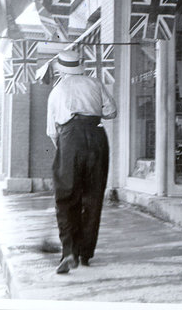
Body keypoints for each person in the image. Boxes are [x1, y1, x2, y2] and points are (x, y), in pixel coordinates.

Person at [47, 49, 117, 274]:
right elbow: (112, 111)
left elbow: (52, 132)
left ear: (60, 69)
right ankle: (86, 252)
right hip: (97, 136)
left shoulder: (57, 91)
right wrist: (93, 113)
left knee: (66, 196)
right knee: (93, 196)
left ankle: (69, 251)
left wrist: (66, 151)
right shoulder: (94, 83)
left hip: (70, 138)